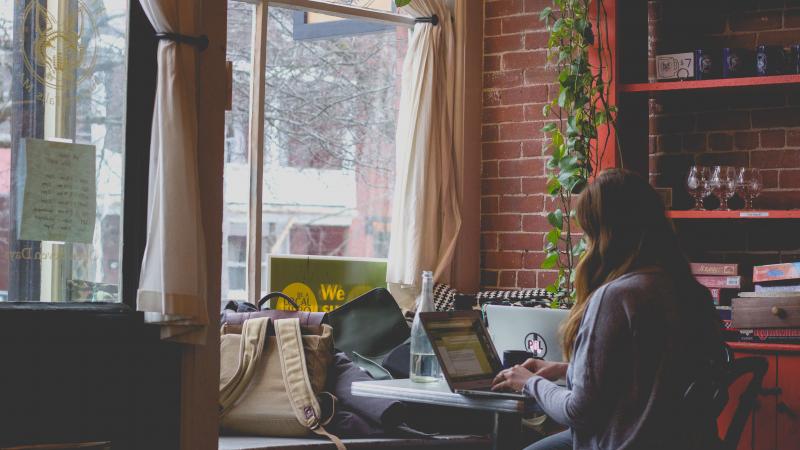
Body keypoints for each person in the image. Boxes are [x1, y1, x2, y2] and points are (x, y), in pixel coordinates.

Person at [491, 169, 725, 450]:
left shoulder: (617, 297)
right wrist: (562, 369)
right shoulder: (689, 291)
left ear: (605, 235)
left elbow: (579, 412)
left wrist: (528, 383)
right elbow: (647, 379)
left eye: (588, 232)